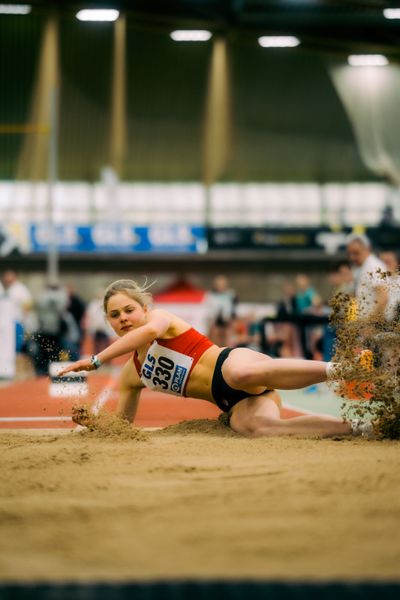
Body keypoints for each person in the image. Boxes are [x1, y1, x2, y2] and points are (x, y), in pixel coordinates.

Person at [60, 279, 375, 439]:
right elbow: (123, 426)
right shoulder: (133, 374)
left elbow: (146, 334)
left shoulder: (161, 320)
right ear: (109, 322)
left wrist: (97, 359)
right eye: (114, 316)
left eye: (129, 310)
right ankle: (360, 427)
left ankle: (347, 369)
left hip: (238, 365)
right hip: (234, 403)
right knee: (257, 429)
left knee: (239, 375)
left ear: (144, 309)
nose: (123, 318)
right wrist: (94, 422)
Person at [346, 234, 388, 320]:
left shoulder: (374, 266)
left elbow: (383, 298)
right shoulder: (361, 268)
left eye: (356, 253)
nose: (352, 257)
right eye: (349, 253)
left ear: (367, 249)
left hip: (376, 326)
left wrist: (371, 324)